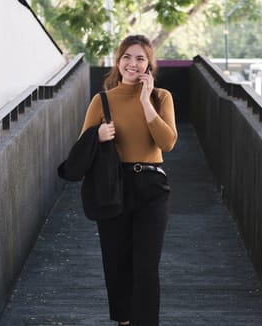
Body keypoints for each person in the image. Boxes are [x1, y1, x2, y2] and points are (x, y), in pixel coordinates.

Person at [79, 34, 178, 326]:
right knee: (117, 262)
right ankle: (123, 321)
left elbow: (168, 142)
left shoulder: (162, 98)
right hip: (113, 187)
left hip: (152, 187)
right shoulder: (102, 100)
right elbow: (81, 150)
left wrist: (146, 103)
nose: (132, 63)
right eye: (127, 57)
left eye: (140, 58)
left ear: (149, 65)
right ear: (118, 61)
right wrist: (96, 136)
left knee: (146, 266)